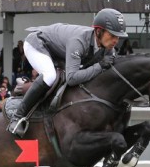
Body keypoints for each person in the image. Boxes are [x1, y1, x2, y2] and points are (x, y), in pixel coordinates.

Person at [7, 8, 128, 137]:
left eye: (118, 37)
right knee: (50, 76)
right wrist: (99, 66)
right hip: (38, 44)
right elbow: (72, 78)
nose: (116, 41)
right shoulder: (79, 41)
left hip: (59, 52)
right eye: (112, 35)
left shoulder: (108, 48)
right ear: (99, 31)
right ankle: (18, 116)